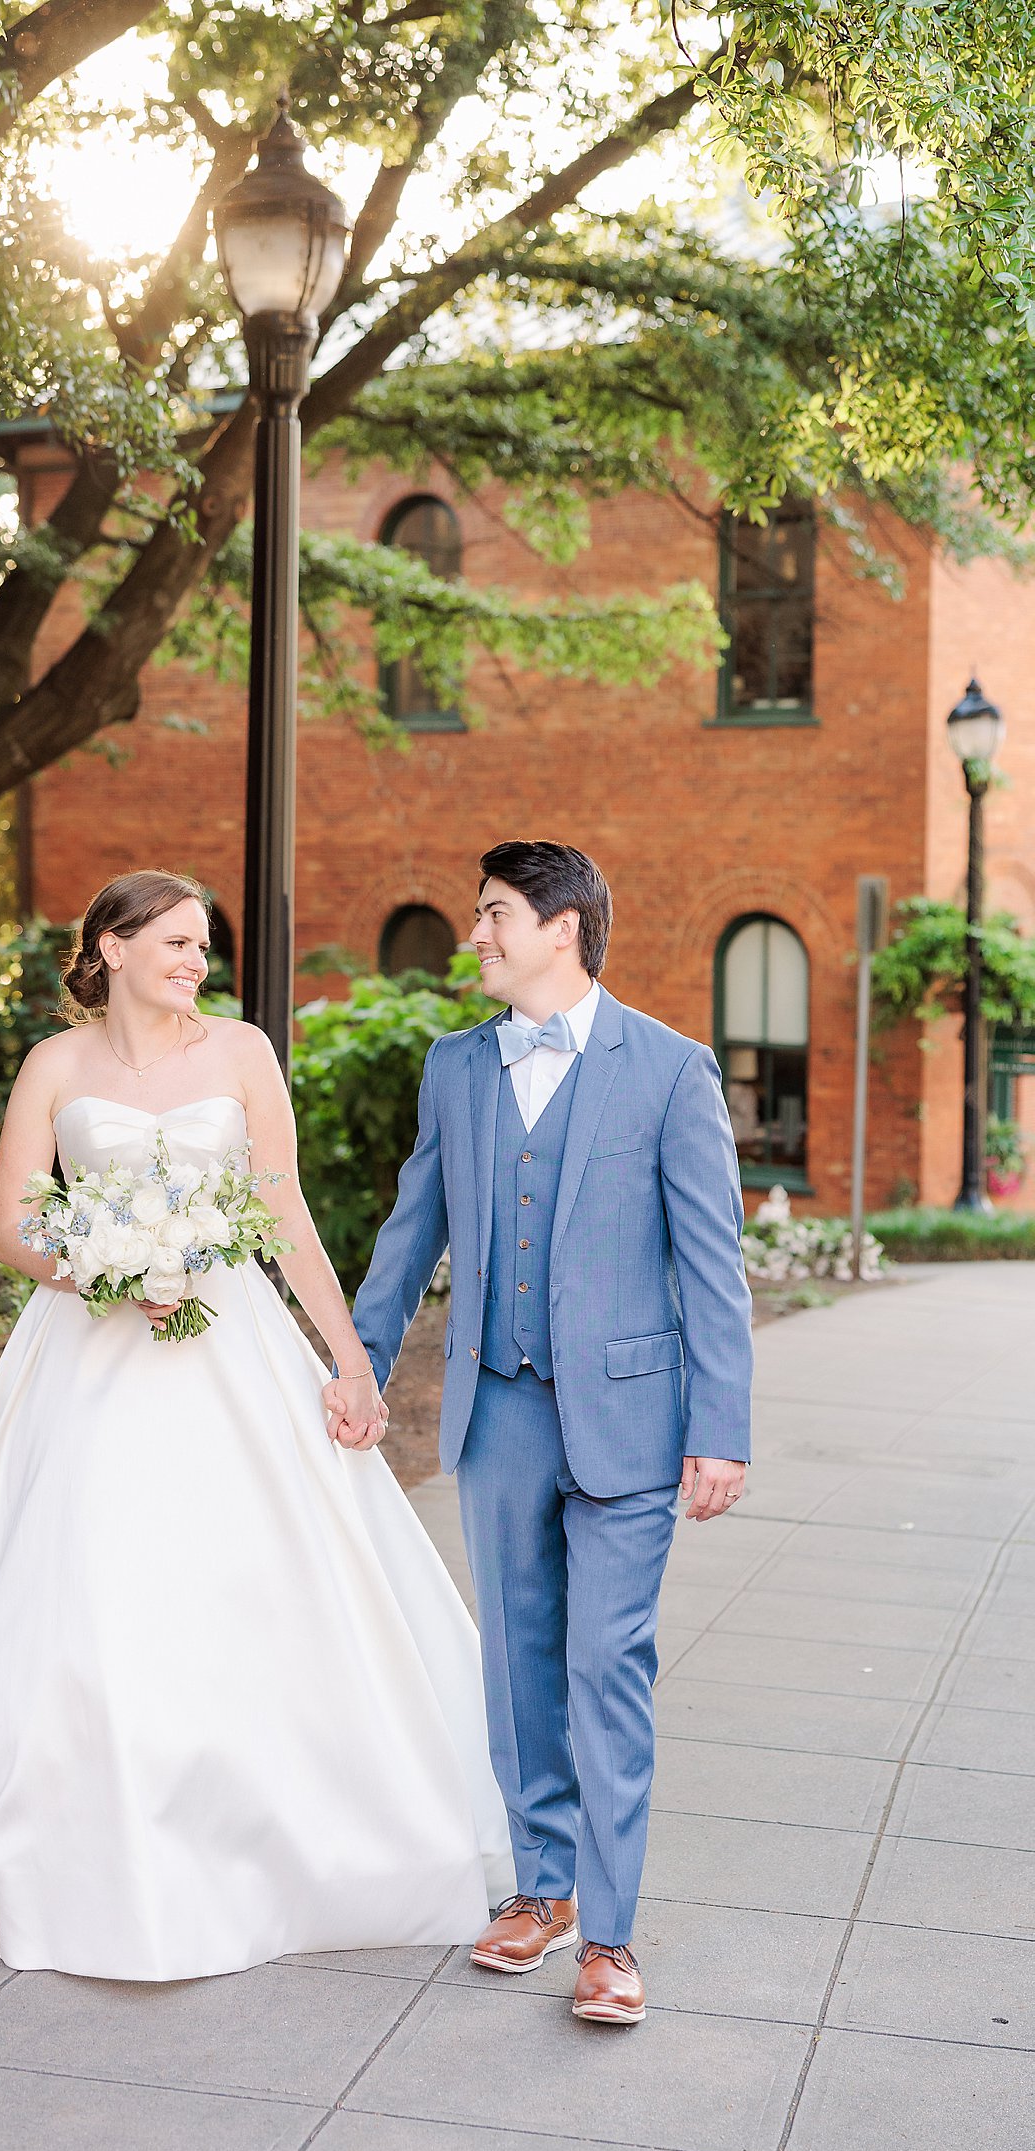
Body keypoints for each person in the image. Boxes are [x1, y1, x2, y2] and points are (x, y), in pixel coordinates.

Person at [0, 867, 513, 1980]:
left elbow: (282, 1212)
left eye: (203, 946)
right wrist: (97, 1270)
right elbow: (11, 1228)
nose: (197, 961)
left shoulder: (242, 1054)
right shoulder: (54, 1066)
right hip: (89, 1351)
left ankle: (262, 1811)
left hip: (227, 1344)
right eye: (178, 942)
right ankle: (102, 1814)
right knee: (92, 1582)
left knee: (254, 1574)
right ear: (110, 945)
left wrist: (348, 1359)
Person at [326, 839, 753, 2024]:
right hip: (499, 1407)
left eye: (494, 914)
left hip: (629, 1414)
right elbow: (412, 1229)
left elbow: (712, 1268)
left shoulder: (670, 1070)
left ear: (562, 927)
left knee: (606, 1666)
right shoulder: (454, 1068)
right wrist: (360, 1356)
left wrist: (721, 1430)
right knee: (516, 1667)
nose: (476, 934)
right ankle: (542, 1891)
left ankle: (610, 1938)